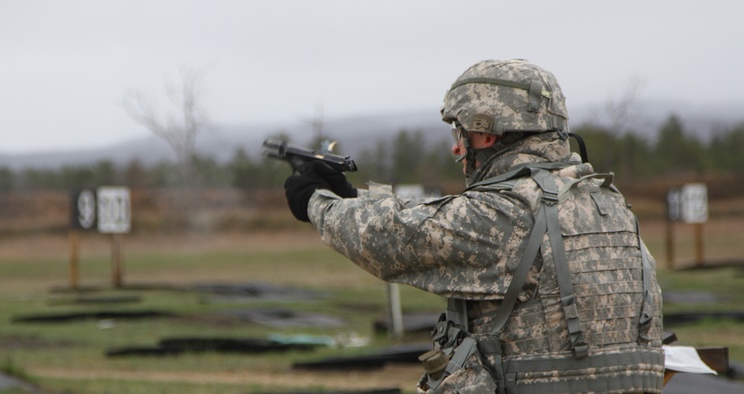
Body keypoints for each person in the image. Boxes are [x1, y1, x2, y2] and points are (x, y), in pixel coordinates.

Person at [284, 59, 664, 393]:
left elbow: (390, 238)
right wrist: (355, 198)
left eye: (460, 133)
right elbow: (443, 218)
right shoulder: (607, 202)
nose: (456, 148)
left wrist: (317, 202)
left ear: (485, 133)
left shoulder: (508, 211)